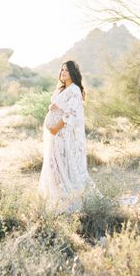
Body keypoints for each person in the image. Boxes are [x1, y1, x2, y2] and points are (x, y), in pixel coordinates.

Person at [38, 60, 96, 213]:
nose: (63, 73)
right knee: (54, 165)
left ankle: (69, 200)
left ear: (73, 73)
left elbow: (72, 113)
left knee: (64, 165)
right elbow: (57, 107)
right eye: (62, 70)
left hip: (62, 135)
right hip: (54, 136)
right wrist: (52, 108)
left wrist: (56, 128)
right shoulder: (62, 89)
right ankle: (57, 197)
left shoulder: (75, 90)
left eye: (67, 70)